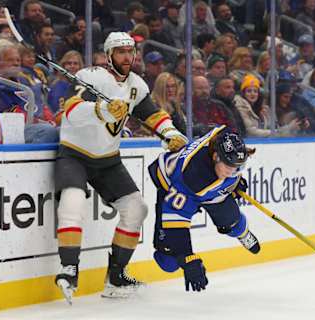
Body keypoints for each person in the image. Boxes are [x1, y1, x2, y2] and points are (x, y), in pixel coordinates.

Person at [54, 32, 188, 303]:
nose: (127, 57)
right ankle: (69, 270)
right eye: (121, 51)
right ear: (109, 54)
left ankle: (116, 278)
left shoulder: (136, 85)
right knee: (72, 202)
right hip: (75, 155)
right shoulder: (90, 76)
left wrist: (170, 132)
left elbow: (152, 114)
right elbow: (70, 110)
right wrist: (102, 109)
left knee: (136, 209)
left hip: (108, 160)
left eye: (131, 51)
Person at [148, 126, 260, 292]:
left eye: (238, 168)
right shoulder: (192, 177)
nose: (233, 172)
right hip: (173, 185)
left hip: (207, 185)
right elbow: (175, 223)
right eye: (229, 166)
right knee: (168, 262)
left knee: (231, 222)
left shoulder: (225, 139)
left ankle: (243, 234)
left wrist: (236, 182)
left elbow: (227, 155)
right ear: (215, 157)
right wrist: (188, 258)